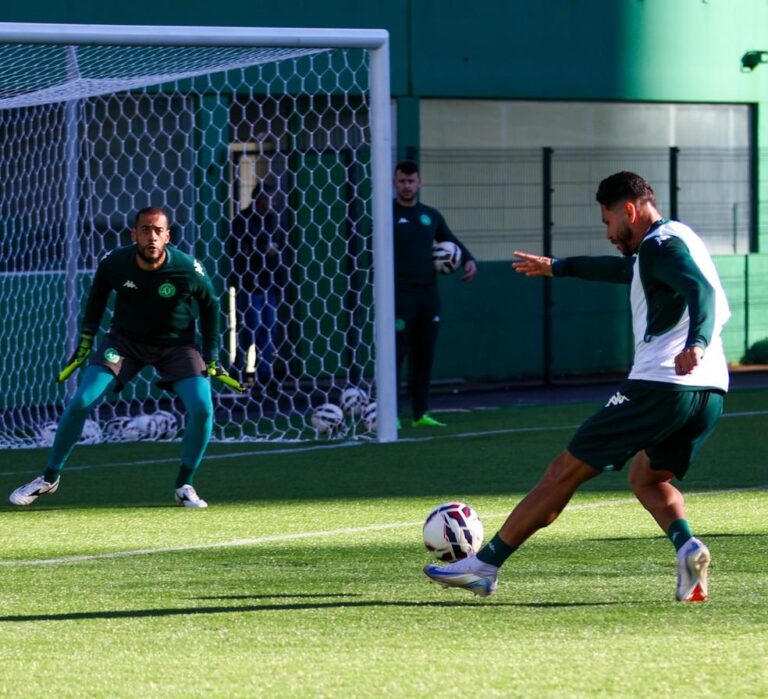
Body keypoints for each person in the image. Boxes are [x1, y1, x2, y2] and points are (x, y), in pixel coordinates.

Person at [424, 171, 730, 602]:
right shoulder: (671, 240)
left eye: (608, 222)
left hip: (661, 385)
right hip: (711, 391)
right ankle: (687, 547)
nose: (608, 233)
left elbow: (701, 292)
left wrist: (694, 342)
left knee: (563, 471)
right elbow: (626, 270)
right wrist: (560, 267)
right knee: (647, 477)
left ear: (630, 210)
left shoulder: (662, 245)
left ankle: (484, 565)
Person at [9, 206, 242, 509]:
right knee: (81, 401)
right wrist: (85, 344)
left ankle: (185, 484)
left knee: (202, 408)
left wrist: (211, 356)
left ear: (168, 236)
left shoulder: (187, 268)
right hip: (124, 343)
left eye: (158, 231)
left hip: (177, 346)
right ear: (134, 234)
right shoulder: (115, 263)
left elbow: (210, 306)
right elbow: (96, 300)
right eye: (145, 229)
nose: (152, 236)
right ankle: (49, 478)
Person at [393, 159, 477, 428]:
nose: (407, 186)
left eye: (411, 181)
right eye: (402, 181)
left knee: (424, 354)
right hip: (399, 296)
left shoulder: (431, 215)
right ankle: (389, 415)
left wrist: (468, 259)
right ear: (395, 182)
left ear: (419, 183)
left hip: (428, 297)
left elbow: (450, 240)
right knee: (396, 355)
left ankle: (420, 414)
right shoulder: (386, 214)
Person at [227, 183, 285, 387]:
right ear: (258, 198)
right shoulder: (242, 220)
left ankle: (264, 373)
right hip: (249, 283)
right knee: (251, 327)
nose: (272, 203)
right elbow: (238, 247)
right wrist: (262, 248)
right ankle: (239, 368)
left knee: (269, 328)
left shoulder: (271, 220)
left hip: (268, 282)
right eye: (269, 198)